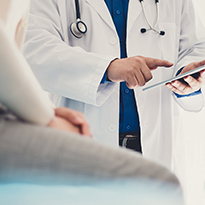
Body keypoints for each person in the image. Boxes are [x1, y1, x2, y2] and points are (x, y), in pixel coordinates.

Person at [0, 0, 184, 194]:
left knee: (161, 185)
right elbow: (29, 48)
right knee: (163, 184)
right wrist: (45, 118)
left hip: (151, 133)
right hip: (72, 129)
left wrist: (187, 74)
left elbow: (194, 46)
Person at [23, 0, 205, 170]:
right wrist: (106, 68)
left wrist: (187, 77)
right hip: (84, 147)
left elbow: (195, 47)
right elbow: (33, 47)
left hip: (152, 147)